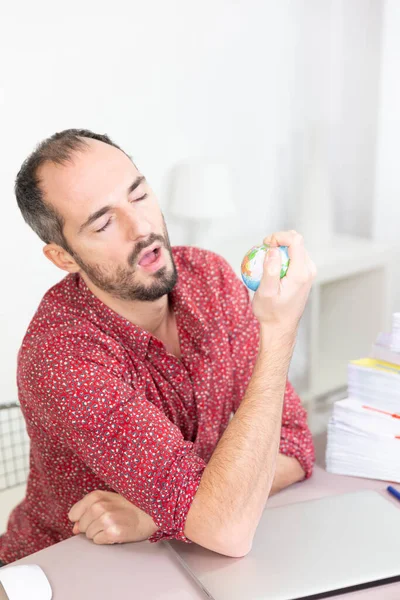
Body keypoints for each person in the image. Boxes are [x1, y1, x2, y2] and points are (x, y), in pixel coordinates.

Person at [0, 129, 316, 565]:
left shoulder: (209, 277)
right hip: (68, 569)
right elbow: (228, 529)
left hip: (180, 554)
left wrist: (164, 515)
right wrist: (278, 332)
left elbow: (295, 447)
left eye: (139, 195)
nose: (142, 228)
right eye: (104, 223)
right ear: (65, 257)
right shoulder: (62, 355)